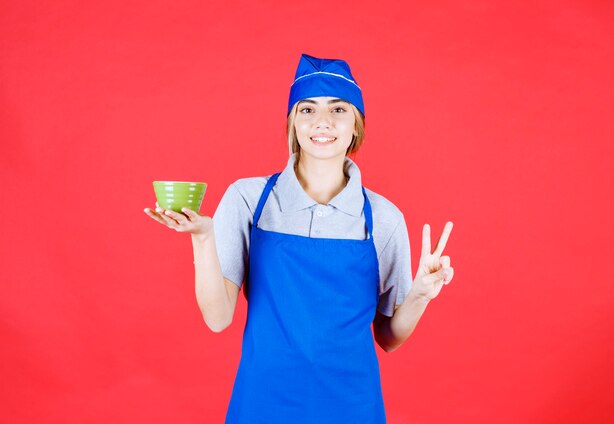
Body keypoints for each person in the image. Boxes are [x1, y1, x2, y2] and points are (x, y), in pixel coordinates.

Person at [144, 53, 455, 424]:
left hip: (353, 406)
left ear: (356, 125)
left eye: (339, 110)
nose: (322, 121)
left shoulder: (384, 218)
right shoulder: (250, 200)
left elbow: (388, 338)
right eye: (307, 110)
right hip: (264, 402)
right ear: (293, 123)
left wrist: (419, 293)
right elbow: (217, 318)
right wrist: (202, 237)